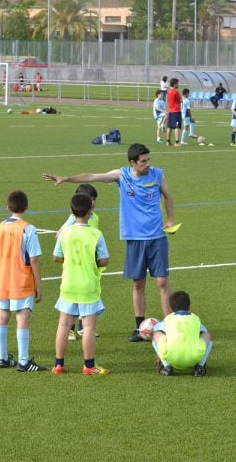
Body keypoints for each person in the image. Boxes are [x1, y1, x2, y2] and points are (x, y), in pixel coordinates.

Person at [42, 143, 177, 342]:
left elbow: (168, 196)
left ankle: (170, 325)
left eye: (149, 159)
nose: (148, 164)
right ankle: (140, 327)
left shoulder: (157, 174)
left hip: (157, 236)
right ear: (133, 162)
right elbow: (92, 177)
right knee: (138, 283)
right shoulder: (122, 176)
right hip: (134, 238)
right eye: (143, 161)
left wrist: (171, 219)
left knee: (162, 282)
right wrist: (67, 179)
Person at [52, 193, 110, 376]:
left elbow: (56, 257)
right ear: (90, 210)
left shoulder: (65, 233)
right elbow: (104, 260)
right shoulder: (96, 234)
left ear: (72, 210)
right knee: (89, 326)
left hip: (69, 284)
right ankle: (89, 365)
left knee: (63, 325)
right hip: (88, 286)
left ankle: (58, 364)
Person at [0, 190, 45, 372]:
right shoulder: (28, 229)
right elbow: (35, 259)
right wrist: (39, 284)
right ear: (27, 207)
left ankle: (3, 357)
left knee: (3, 315)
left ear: (8, 207)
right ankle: (23, 361)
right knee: (22, 317)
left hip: (2, 279)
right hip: (21, 279)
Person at [55, 183, 102, 341]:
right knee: (74, 299)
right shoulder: (72, 219)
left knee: (86, 297)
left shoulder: (94, 217)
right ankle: (70, 328)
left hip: (90, 266)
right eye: (91, 199)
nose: (93, 202)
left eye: (94, 199)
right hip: (75, 266)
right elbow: (59, 235)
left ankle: (82, 327)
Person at [152, 291, 212, 377]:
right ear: (189, 305)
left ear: (171, 307)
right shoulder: (195, 319)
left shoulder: (168, 319)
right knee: (207, 335)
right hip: (194, 357)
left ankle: (166, 366)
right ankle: (200, 367)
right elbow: (204, 331)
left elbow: (154, 329)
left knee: (155, 335)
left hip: (170, 356)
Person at [165, 78, 182, 147]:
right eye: (178, 83)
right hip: (176, 111)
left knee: (169, 127)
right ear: (174, 84)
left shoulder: (168, 91)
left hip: (171, 111)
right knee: (176, 127)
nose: (178, 84)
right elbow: (180, 100)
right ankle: (177, 142)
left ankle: (168, 141)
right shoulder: (175, 92)